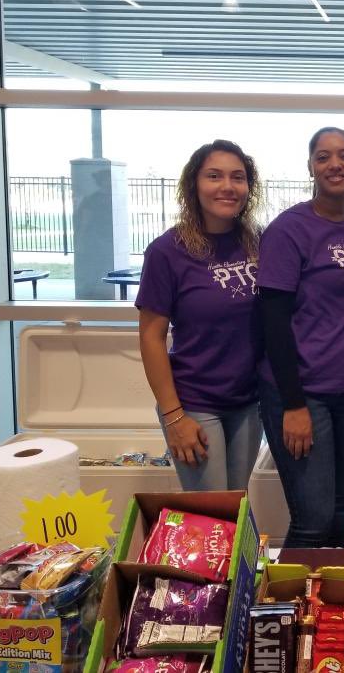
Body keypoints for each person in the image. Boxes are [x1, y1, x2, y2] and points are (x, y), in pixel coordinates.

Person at [257, 126, 344, 548]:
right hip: (302, 395)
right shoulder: (288, 230)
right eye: (324, 156)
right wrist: (293, 405)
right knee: (312, 519)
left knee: (336, 510)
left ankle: (328, 608)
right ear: (310, 166)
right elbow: (272, 321)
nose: (336, 164)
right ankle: (288, 612)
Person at [137, 138, 264, 491]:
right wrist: (173, 415)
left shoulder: (258, 242)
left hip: (249, 403)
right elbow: (151, 336)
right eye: (214, 176)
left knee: (236, 507)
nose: (227, 186)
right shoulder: (167, 251)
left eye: (237, 177)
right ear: (194, 184)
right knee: (212, 515)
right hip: (194, 403)